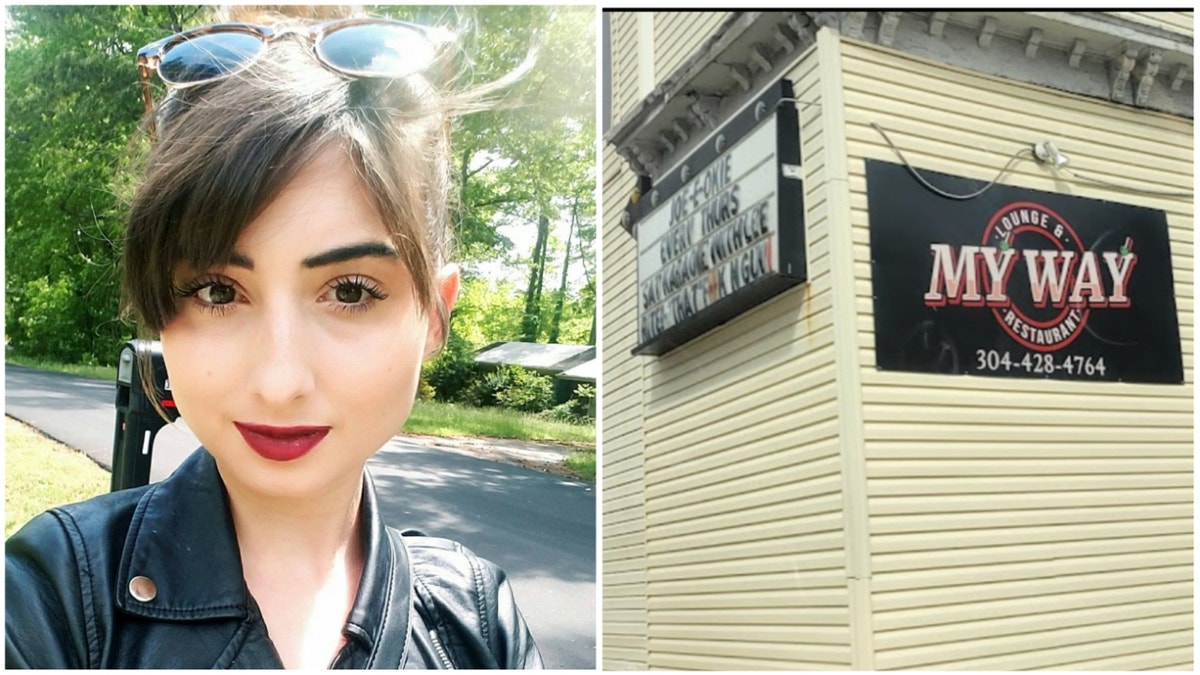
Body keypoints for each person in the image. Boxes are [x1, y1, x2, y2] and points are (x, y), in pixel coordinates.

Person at [5, 8, 543, 669]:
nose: (280, 380)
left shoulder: (477, 624)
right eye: (217, 291)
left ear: (435, 314)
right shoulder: (53, 600)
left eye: (349, 290)